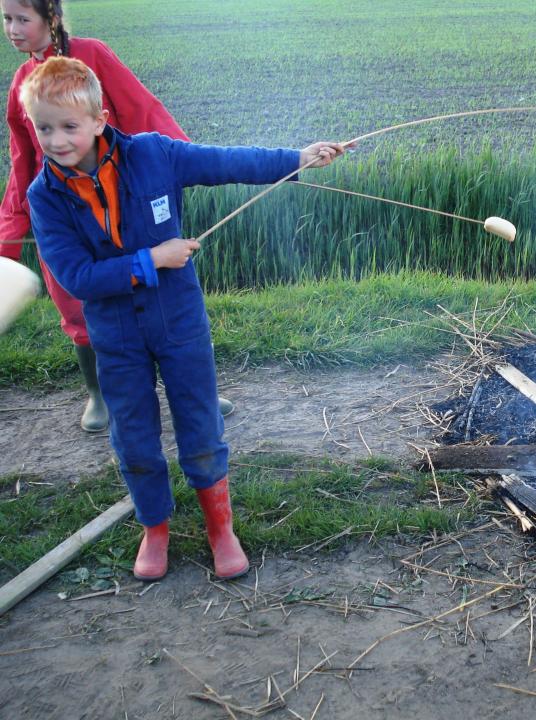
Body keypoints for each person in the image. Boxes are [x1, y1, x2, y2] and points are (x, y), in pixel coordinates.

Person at [21, 56, 349, 580]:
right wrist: (151, 260)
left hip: (178, 320)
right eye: (43, 128)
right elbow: (77, 277)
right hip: (115, 333)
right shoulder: (44, 197)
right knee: (132, 433)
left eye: (68, 126)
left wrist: (297, 158)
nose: (57, 140)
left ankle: (220, 527)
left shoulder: (154, 154)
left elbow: (225, 162)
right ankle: (156, 528)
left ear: (100, 120)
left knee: (199, 419)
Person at [0, 0, 234, 428]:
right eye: (5, 19)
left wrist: (179, 165)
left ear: (50, 17)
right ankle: (99, 395)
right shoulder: (20, 82)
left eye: (21, 18)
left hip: (121, 198)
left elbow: (141, 109)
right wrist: (10, 231)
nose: (12, 29)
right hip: (63, 210)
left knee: (158, 293)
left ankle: (195, 390)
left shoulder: (91, 55)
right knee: (77, 301)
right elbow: (23, 159)